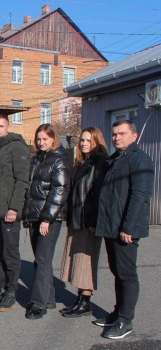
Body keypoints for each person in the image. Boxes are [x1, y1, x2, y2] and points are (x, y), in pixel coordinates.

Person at [93, 120, 154, 340]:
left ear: (134, 136)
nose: (117, 137)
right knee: (117, 271)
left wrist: (128, 227)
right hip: (111, 225)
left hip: (125, 228)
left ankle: (125, 320)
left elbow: (140, 196)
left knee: (127, 274)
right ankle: (117, 312)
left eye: (122, 134)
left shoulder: (139, 159)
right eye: (114, 134)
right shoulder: (116, 159)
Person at [0, 115, 30, 312]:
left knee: (9, 254)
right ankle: (1, 286)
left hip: (8, 211)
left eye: (1, 126)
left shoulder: (16, 147)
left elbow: (22, 180)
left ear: (8, 127)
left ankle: (11, 290)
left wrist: (14, 208)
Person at [23, 124, 70, 320]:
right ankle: (49, 298)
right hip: (35, 215)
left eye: (45, 139)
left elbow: (59, 191)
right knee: (42, 260)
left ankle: (38, 303)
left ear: (53, 139)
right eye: (39, 139)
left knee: (42, 259)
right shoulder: (36, 159)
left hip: (49, 219)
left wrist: (47, 219)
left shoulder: (59, 160)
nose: (41, 142)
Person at [60, 127, 108, 318]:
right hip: (76, 220)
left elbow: (98, 196)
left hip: (88, 222)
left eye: (89, 140)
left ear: (97, 142)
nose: (84, 143)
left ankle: (85, 301)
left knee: (86, 261)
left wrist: (94, 221)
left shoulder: (100, 163)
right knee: (77, 261)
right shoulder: (81, 162)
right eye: (82, 140)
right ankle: (80, 298)